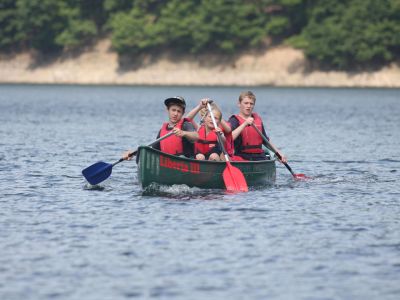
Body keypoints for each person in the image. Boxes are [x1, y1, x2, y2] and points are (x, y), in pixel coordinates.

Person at [123, 96, 198, 160]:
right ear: (168, 110)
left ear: (183, 113)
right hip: (167, 163)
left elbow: (196, 137)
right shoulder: (162, 130)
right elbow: (153, 149)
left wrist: (183, 133)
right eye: (173, 110)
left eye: (179, 111)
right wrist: (133, 153)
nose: (175, 114)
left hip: (184, 162)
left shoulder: (186, 125)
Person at [228, 91, 287, 162]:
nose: (249, 106)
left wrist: (278, 153)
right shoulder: (234, 120)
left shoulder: (257, 120)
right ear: (239, 104)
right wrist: (244, 124)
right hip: (242, 157)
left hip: (260, 157)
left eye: (251, 104)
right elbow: (229, 139)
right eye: (246, 103)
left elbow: (266, 141)